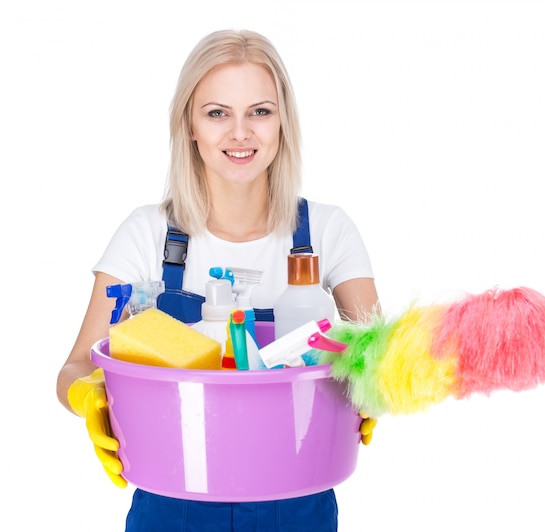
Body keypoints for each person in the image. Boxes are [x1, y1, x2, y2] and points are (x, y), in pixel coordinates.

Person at [56, 28, 380, 532]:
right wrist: (89, 394)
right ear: (190, 124)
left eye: (260, 111)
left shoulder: (329, 232)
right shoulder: (146, 234)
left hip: (297, 497)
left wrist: (378, 381)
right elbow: (75, 365)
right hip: (173, 501)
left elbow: (379, 356)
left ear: (283, 123)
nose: (240, 133)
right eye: (217, 113)